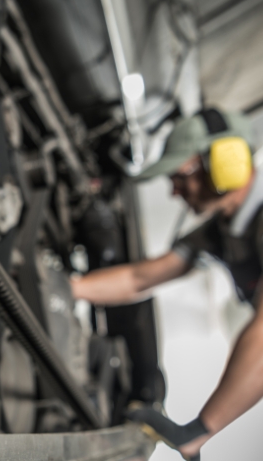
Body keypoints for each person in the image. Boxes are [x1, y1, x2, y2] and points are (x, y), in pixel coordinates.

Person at [71, 108, 263, 461]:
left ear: (225, 161)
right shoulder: (222, 230)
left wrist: (197, 431)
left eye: (180, 175)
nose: (174, 191)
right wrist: (69, 289)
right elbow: (139, 278)